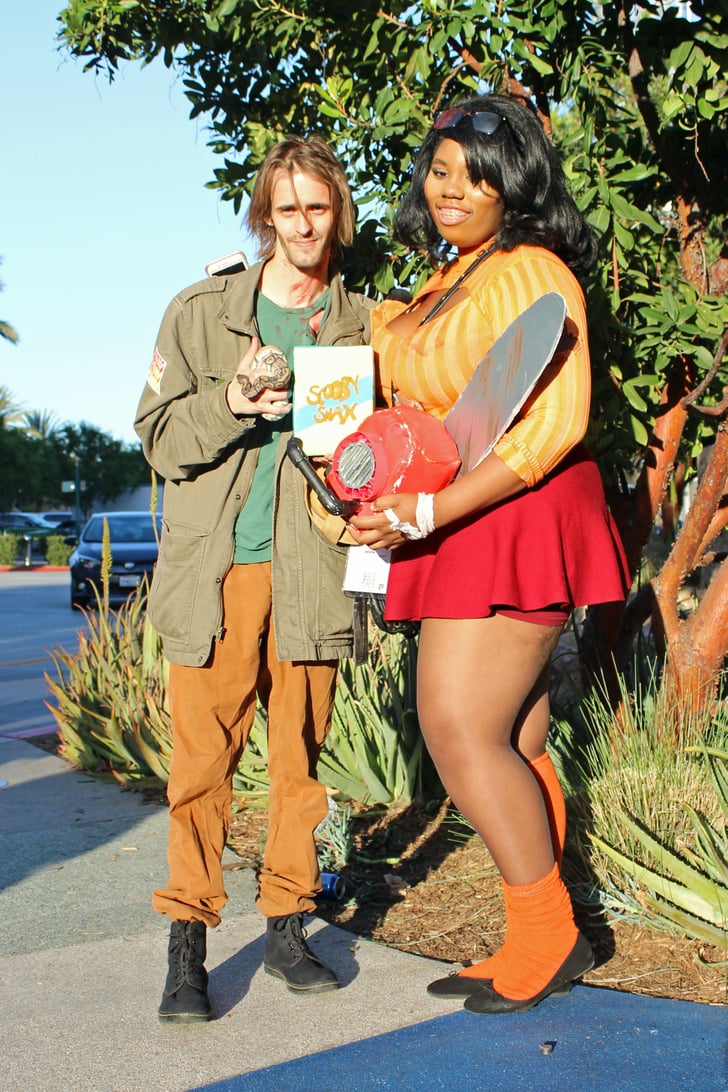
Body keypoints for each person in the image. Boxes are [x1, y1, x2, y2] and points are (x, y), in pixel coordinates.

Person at [348, 94, 629, 1014]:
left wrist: (429, 510)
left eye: (476, 175)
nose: (453, 190)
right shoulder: (444, 281)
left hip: (511, 512)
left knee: (459, 731)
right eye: (439, 170)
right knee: (512, 736)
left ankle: (548, 934)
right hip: (453, 514)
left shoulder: (529, 271)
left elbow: (554, 422)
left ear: (516, 185)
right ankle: (540, 932)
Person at [135, 135, 373, 1022]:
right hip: (221, 571)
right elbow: (156, 436)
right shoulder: (202, 312)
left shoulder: (359, 323)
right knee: (202, 762)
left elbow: (375, 451)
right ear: (265, 217)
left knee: (299, 760)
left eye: (319, 207)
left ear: (335, 215)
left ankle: (285, 922)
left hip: (312, 569)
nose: (304, 224)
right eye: (288, 209)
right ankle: (188, 944)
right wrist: (230, 405)